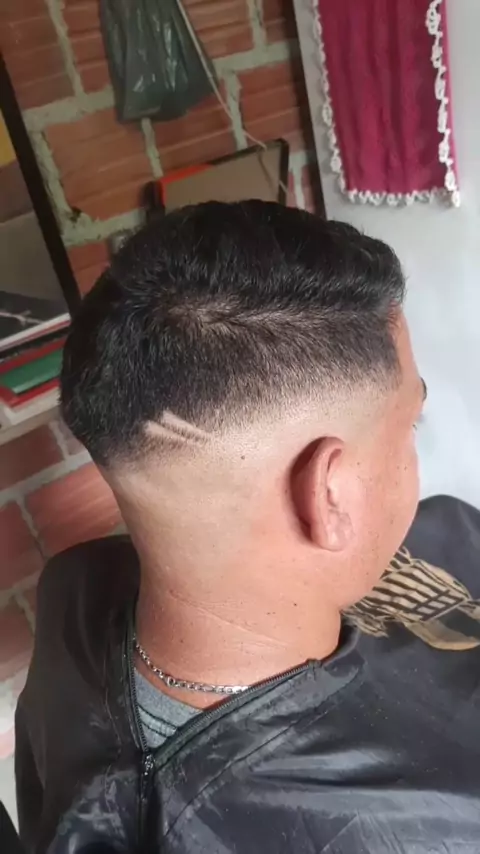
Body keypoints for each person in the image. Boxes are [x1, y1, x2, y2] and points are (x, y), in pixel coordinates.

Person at [15, 201, 480, 853]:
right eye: (410, 425)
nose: (413, 452)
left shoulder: (75, 588)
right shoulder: (435, 828)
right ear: (330, 495)